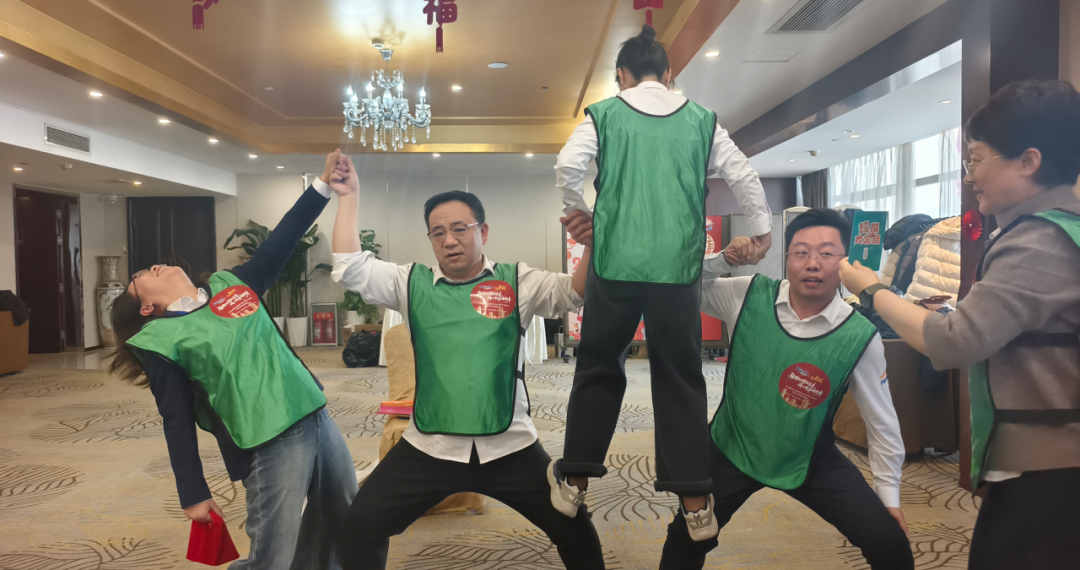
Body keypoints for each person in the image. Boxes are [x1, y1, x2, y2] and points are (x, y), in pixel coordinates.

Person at [840, 79, 1080, 569]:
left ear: (1028, 161)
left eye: (976, 159)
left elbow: (955, 341)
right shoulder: (1060, 229)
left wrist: (872, 289)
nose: (969, 176)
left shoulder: (1038, 242)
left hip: (1048, 467)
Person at [327, 155, 605, 570]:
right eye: (438, 232)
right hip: (430, 446)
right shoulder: (410, 283)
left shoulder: (517, 280)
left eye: (460, 228)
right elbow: (351, 267)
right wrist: (349, 196)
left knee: (576, 531)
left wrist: (593, 244)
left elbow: (576, 292)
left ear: (483, 231)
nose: (449, 240)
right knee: (360, 525)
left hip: (510, 445)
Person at [550, 24, 773, 541]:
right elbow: (742, 173)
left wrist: (578, 212)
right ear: (669, 74)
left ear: (621, 76)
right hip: (677, 273)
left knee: (599, 367)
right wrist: (762, 231)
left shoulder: (604, 113)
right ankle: (695, 500)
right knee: (680, 377)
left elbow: (567, 164)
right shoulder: (702, 119)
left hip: (615, 266)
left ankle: (575, 480)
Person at [108, 151, 358, 570]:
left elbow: (284, 237)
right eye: (140, 278)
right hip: (268, 439)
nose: (151, 266)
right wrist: (193, 493)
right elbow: (175, 419)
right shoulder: (159, 340)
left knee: (338, 517)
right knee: (271, 557)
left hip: (314, 411)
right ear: (146, 308)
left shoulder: (231, 284)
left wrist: (322, 184)